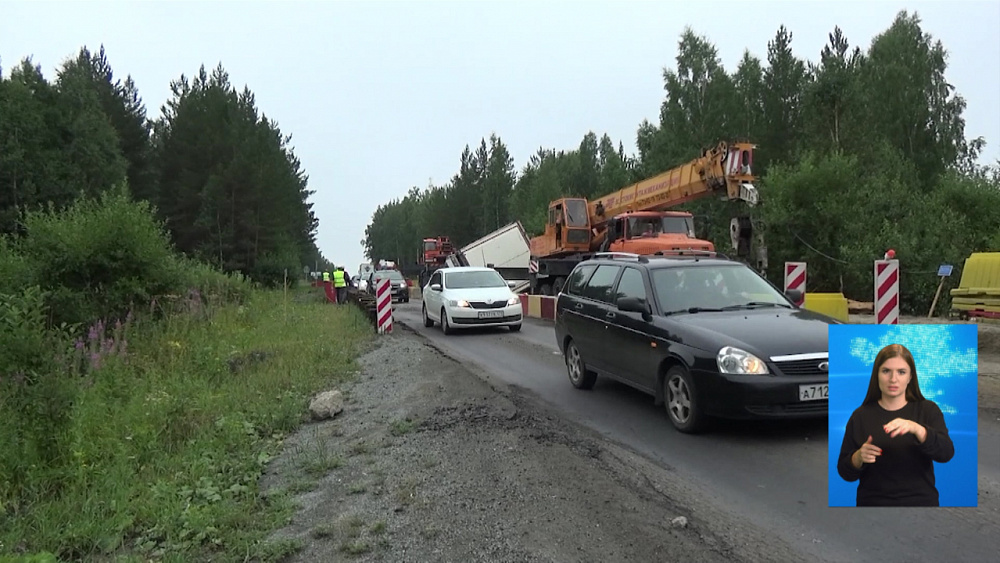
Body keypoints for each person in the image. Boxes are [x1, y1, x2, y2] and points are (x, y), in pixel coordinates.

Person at [836, 343, 955, 506]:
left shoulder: (928, 410)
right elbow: (844, 472)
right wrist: (858, 457)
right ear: (876, 375)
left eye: (901, 372)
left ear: (910, 377)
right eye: (886, 371)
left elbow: (946, 453)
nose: (893, 379)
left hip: (921, 503)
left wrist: (918, 430)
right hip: (872, 505)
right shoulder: (860, 416)